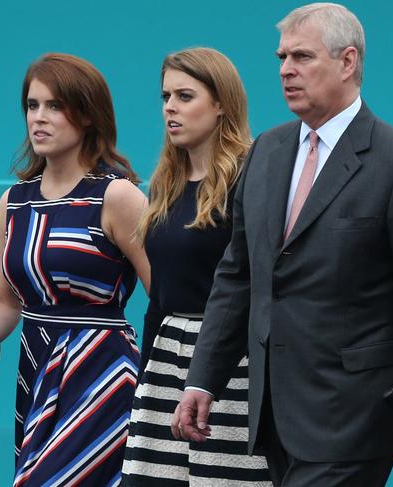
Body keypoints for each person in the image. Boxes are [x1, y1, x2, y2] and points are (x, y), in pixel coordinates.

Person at [173, 4, 393, 486]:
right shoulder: (267, 151)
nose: (286, 70)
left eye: (302, 57)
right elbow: (239, 276)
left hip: (355, 414)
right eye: (282, 57)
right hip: (273, 415)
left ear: (348, 62)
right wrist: (204, 378)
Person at [0, 53, 150, 487]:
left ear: (88, 115)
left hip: (102, 375)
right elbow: (6, 302)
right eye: (32, 105)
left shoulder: (117, 198)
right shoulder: (13, 203)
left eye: (55, 106)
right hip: (36, 368)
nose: (39, 117)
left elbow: (168, 294)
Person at [121, 48, 271, 486]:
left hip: (232, 365)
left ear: (221, 102)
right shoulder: (165, 185)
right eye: (166, 96)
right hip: (166, 362)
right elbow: (159, 297)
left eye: (185, 96)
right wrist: (145, 381)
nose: (170, 106)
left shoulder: (253, 177)